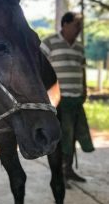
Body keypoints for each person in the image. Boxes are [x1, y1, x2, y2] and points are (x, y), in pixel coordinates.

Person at [40, 12, 95, 186]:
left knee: (74, 137)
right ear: (65, 24)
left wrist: (84, 90)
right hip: (58, 101)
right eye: (76, 25)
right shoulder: (49, 43)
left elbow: (82, 70)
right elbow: (39, 67)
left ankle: (69, 170)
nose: (79, 29)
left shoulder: (79, 47)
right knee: (62, 137)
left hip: (76, 100)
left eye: (80, 25)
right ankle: (60, 174)